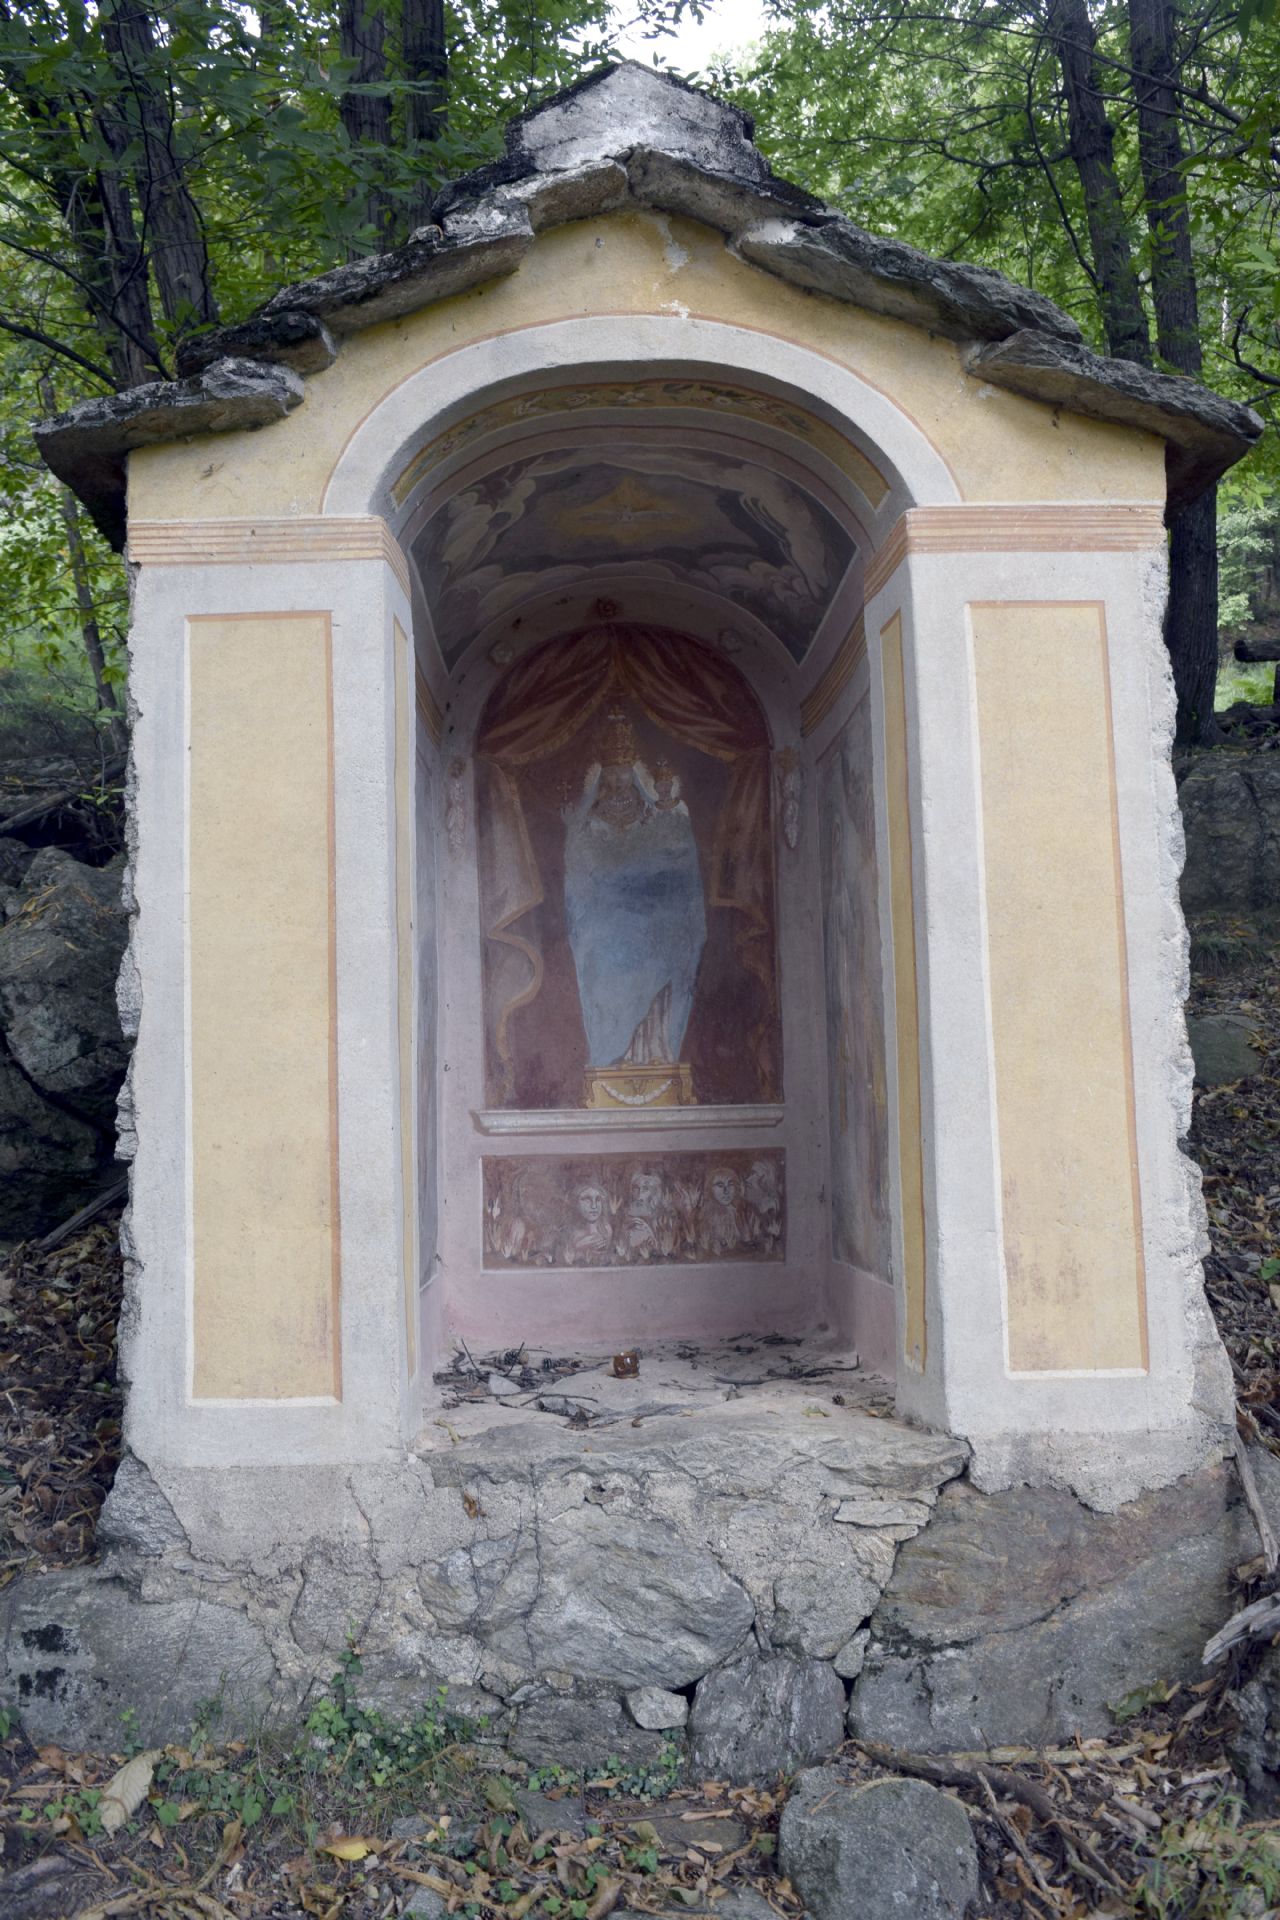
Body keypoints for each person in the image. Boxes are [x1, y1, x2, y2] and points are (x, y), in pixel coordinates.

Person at [563, 706, 706, 1073]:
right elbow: (581, 879)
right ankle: (611, 1060)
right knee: (601, 971)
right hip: (606, 931)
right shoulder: (589, 823)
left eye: (624, 772)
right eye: (612, 772)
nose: (618, 779)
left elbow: (673, 867)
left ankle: (651, 1053)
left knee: (662, 960)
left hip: (650, 930)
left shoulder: (654, 816)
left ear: (634, 774)